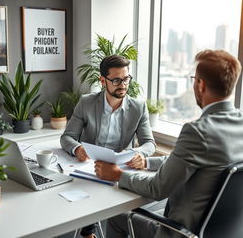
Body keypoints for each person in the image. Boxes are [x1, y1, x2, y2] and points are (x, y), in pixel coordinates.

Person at [94, 49, 243, 238]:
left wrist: (117, 174)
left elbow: (157, 188)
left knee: (116, 216)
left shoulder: (198, 131)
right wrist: (147, 163)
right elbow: (182, 160)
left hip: (182, 232)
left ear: (200, 84)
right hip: (224, 231)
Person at [60, 54, 156, 238]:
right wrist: (77, 149)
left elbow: (149, 143)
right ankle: (88, 230)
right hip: (89, 168)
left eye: (126, 78)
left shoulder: (138, 107)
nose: (123, 85)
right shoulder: (86, 102)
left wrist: (135, 153)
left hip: (118, 170)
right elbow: (67, 137)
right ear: (103, 80)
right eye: (117, 80)